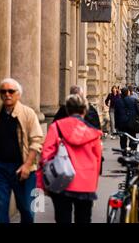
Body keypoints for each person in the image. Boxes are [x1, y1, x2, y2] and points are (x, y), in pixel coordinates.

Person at [37, 94, 102, 223]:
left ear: (67, 110)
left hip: (62, 180)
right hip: (86, 183)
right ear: (84, 110)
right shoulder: (92, 132)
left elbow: (46, 155)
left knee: (62, 218)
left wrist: (45, 181)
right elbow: (97, 159)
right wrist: (93, 183)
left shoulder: (56, 127)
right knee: (83, 219)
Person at [0, 78, 44, 223]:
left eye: (11, 91)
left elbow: (37, 141)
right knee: (0, 210)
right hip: (0, 168)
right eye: (3, 91)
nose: (7, 94)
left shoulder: (28, 114)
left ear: (18, 94)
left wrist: (27, 165)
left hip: (23, 169)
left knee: (27, 210)